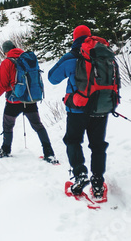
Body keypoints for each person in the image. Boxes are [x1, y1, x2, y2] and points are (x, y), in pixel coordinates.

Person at [48, 25, 116, 201]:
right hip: (101, 108)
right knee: (98, 145)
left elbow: (52, 78)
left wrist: (66, 59)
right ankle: (98, 182)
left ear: (74, 39)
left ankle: (80, 174)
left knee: (73, 140)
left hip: (77, 110)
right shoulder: (104, 55)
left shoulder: (72, 57)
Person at [0, 40, 58, 164]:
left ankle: (5, 150)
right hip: (30, 99)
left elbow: (1, 86)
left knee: (8, 124)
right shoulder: (27, 59)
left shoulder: (7, 62)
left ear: (5, 51)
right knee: (38, 125)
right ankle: (49, 154)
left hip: (14, 101)